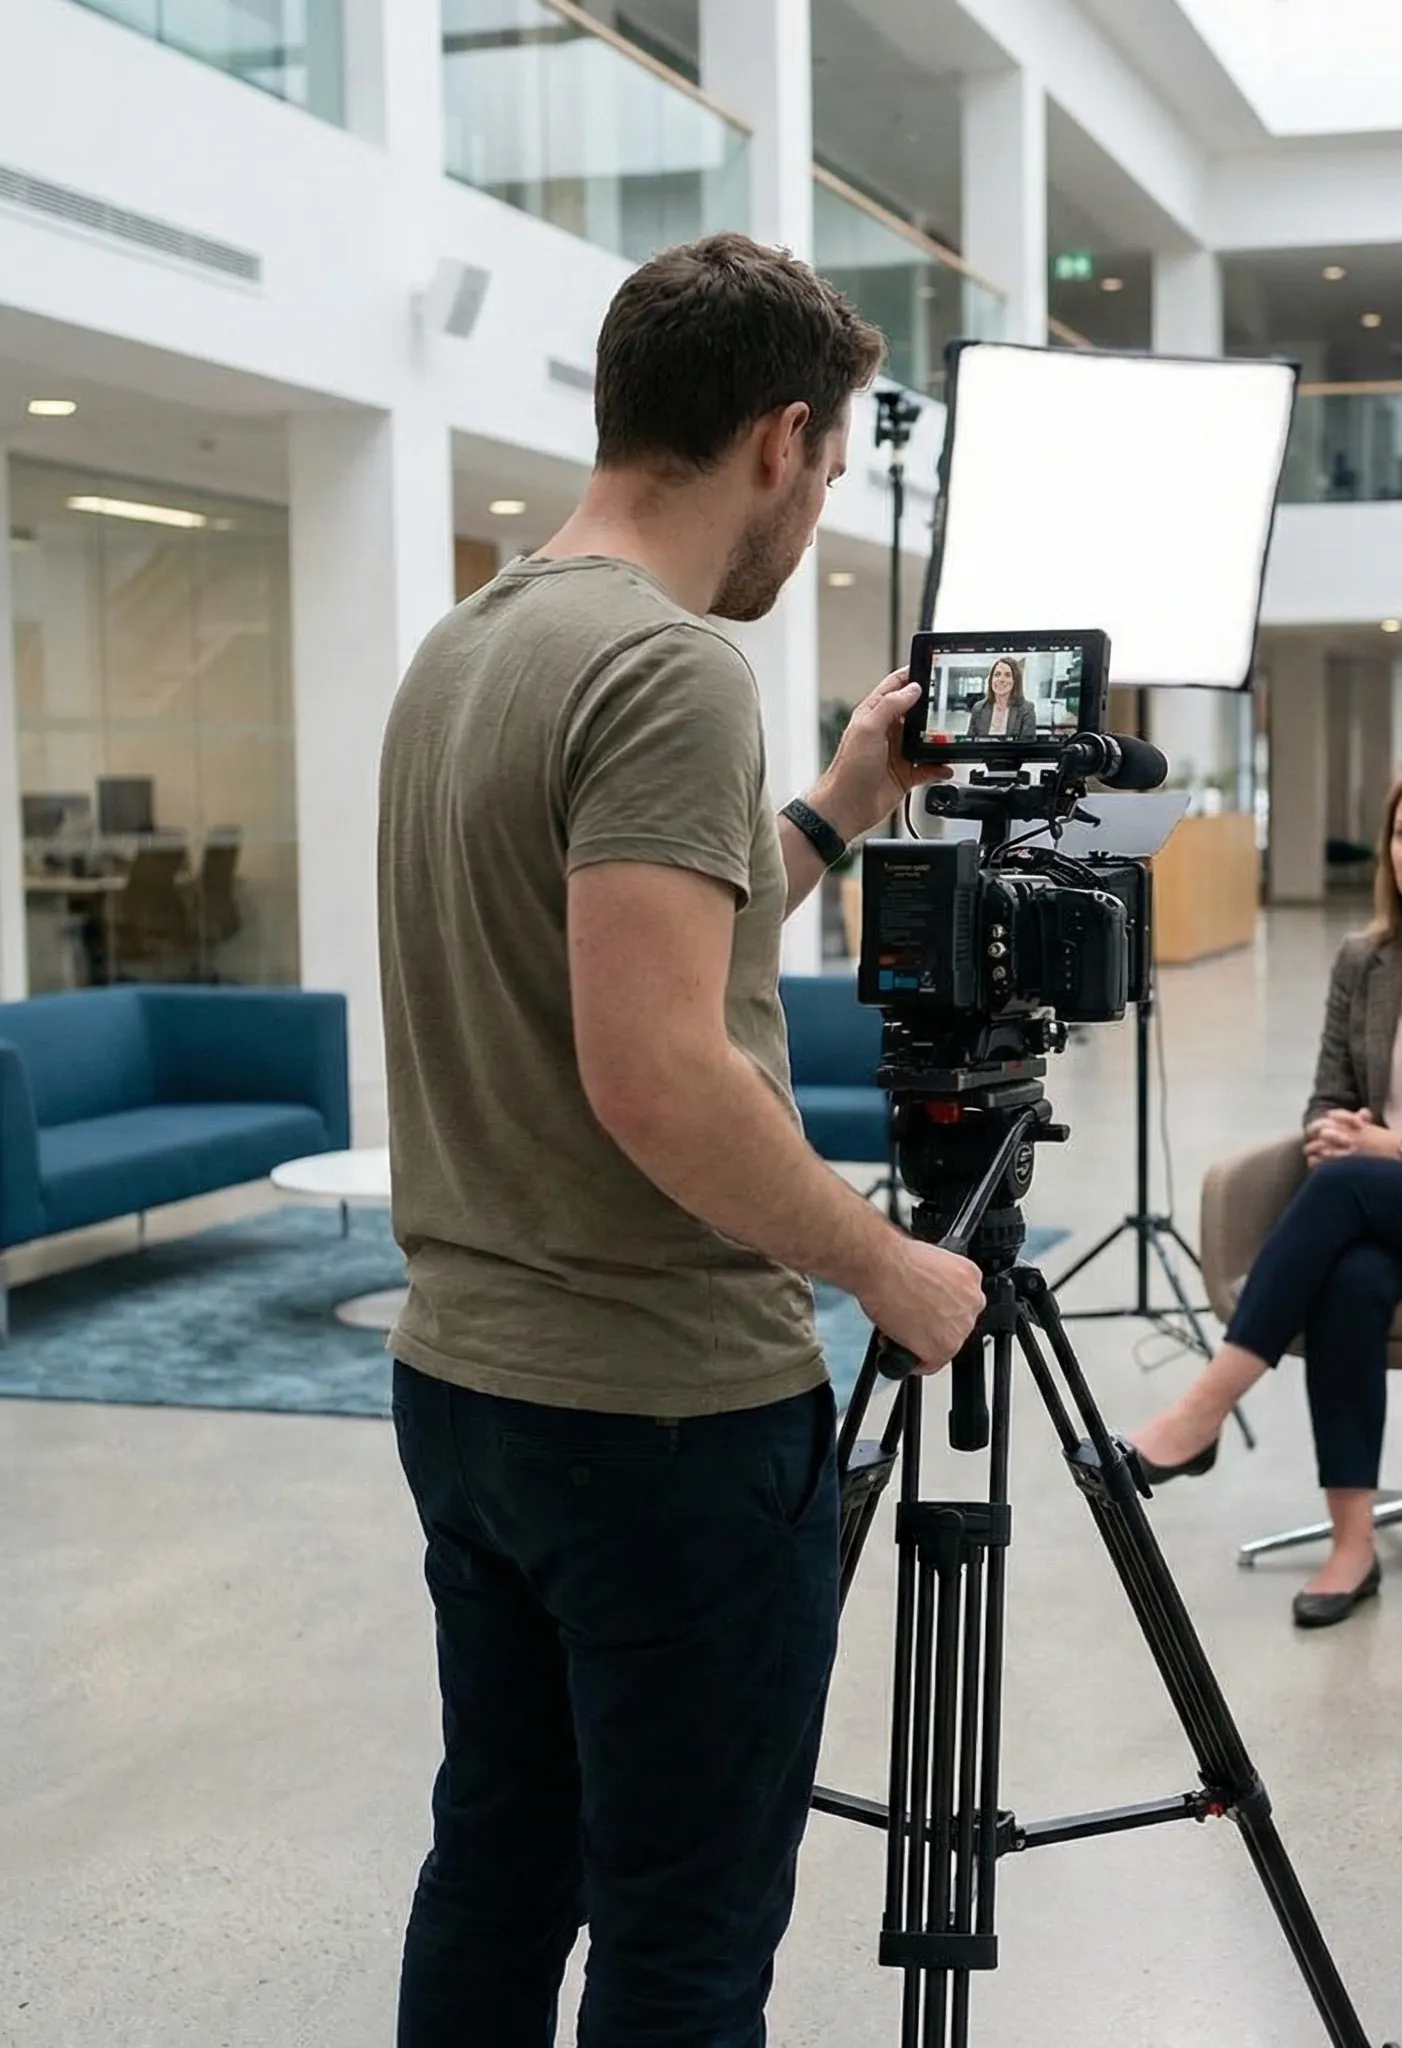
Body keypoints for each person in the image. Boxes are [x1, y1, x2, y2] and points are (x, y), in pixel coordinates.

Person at [377, 232, 987, 2047]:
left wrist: (838, 804)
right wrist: (887, 1263)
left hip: (468, 1386)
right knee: (684, 1934)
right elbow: (657, 1069)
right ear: (780, 440)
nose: (807, 519)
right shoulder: (667, 671)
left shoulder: (465, 648)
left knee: (500, 1862)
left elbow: (643, 949)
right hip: (657, 1417)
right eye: (830, 468)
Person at [1125, 760, 1402, 1630]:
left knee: (1354, 1188)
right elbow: (1327, 1092)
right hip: (1380, 1205)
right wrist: (1333, 1131)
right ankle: (1352, 1543)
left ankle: (1204, 1407)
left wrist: (1395, 1145)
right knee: (1351, 1279)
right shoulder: (1363, 960)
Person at [965, 654, 1037, 739]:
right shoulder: (978, 708)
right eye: (997, 674)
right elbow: (970, 743)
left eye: (1007, 675)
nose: (1001, 680)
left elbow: (1028, 748)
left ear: (1015, 681)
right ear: (991, 680)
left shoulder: (1026, 709)